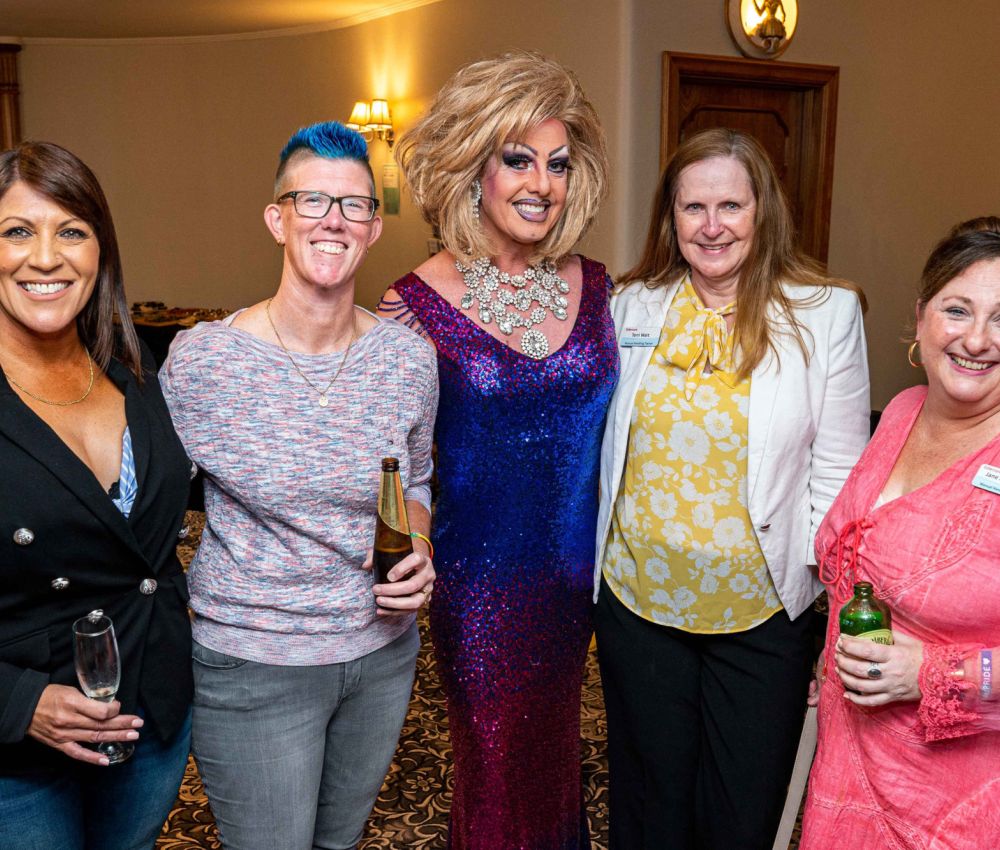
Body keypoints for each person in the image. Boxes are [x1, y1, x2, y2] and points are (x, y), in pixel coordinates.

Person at [159, 122, 438, 850]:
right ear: (276, 218)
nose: (333, 220)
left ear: (376, 226)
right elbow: (144, 512)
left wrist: (420, 545)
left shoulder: (409, 361)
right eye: (311, 200)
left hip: (381, 657)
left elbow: (418, 482)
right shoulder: (203, 362)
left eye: (353, 205)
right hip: (256, 663)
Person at [593, 127, 870, 849]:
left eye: (730, 206)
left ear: (762, 211)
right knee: (650, 805)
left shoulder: (824, 314)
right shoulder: (630, 306)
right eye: (693, 208)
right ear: (670, 218)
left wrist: (833, 621)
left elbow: (842, 483)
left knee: (742, 811)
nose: (711, 225)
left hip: (761, 615)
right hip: (638, 605)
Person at [378, 51, 618, 849]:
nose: (540, 184)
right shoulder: (410, 307)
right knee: (494, 765)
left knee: (557, 765)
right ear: (472, 167)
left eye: (557, 164)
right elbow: (389, 465)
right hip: (478, 591)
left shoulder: (602, 287)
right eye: (517, 160)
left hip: (579, 584)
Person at [0, 141, 193, 849]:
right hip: (19, 755)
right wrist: (23, 704)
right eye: (16, 231)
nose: (45, 257)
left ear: (100, 252)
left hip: (153, 719)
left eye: (71, 231)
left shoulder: (133, 372)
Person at [800, 223, 1000, 849]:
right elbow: (862, 564)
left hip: (951, 803)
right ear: (921, 316)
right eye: (957, 309)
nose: (975, 338)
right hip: (849, 766)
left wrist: (934, 674)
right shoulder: (904, 411)